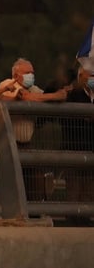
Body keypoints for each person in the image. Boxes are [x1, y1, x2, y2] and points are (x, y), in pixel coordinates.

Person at [0, 58, 70, 201]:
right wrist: (54, 96)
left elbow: (41, 96)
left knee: (35, 182)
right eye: (27, 72)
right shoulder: (7, 84)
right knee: (11, 182)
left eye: (32, 72)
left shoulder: (34, 88)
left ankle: (34, 212)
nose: (31, 75)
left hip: (26, 144)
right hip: (8, 144)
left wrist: (61, 92)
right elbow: (29, 98)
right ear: (16, 74)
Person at [63, 65, 94, 225]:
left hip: (91, 150)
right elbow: (67, 118)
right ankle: (73, 222)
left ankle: (85, 221)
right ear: (81, 76)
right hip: (74, 148)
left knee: (89, 190)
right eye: (91, 74)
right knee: (74, 190)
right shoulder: (73, 94)